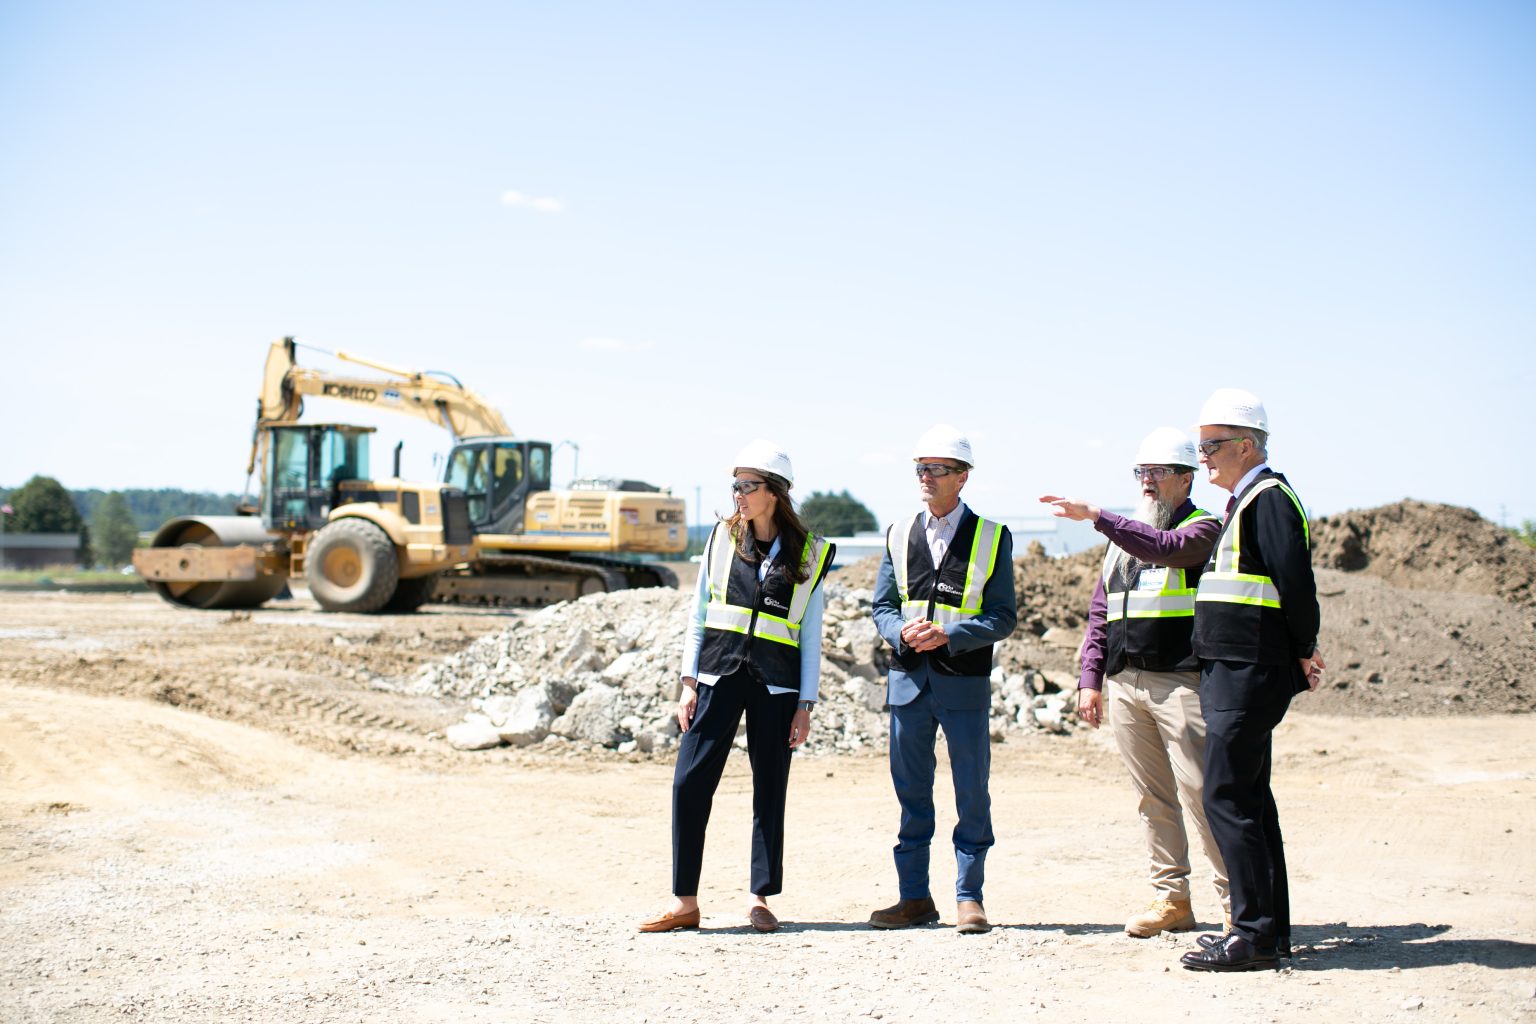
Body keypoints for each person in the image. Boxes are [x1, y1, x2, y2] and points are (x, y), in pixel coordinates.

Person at [638, 440, 835, 935]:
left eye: (748, 485)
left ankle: (760, 898)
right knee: (688, 783)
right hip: (718, 674)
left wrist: (806, 703)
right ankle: (684, 902)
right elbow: (699, 615)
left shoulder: (811, 553)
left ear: (775, 492)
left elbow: (811, 634)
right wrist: (688, 683)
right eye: (735, 485)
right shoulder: (720, 538)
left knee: (770, 789)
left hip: (777, 685)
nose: (738, 494)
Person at [1040, 427, 1230, 938]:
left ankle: (1237, 905)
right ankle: (1172, 899)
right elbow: (1101, 611)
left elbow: (1167, 549)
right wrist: (1091, 678)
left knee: (1202, 793)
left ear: (1186, 479)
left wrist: (1098, 516)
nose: (1147, 481)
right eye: (1141, 472)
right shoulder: (1125, 540)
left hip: (1181, 683)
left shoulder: (1203, 527)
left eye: (1157, 472)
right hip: (1127, 683)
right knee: (1153, 797)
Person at [1178, 389, 1324, 972]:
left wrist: (1305, 648)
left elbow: (1296, 584)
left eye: (1211, 445)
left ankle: (1252, 936)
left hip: (1249, 668)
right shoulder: (1246, 502)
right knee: (1250, 799)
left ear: (1246, 445)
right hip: (1234, 667)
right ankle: (1270, 930)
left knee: (1226, 794)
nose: (1202, 456)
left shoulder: (1268, 500)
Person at [868, 424, 1017, 934]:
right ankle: (913, 897)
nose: (926, 477)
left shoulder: (993, 537)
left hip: (963, 681)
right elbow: (883, 607)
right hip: (908, 682)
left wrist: (949, 635)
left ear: (962, 477)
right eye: (921, 468)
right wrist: (901, 632)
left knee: (971, 791)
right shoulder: (898, 532)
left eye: (936, 469)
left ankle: (969, 897)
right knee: (911, 792)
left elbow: (1002, 616)